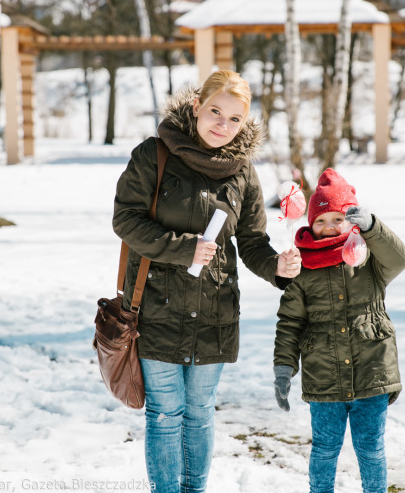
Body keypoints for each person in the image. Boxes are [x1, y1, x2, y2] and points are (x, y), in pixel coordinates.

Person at [112, 69, 301, 493]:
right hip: (156, 305)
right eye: (215, 111)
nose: (222, 125)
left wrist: (277, 268)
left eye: (234, 119)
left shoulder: (243, 173)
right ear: (196, 107)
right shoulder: (154, 154)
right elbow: (125, 220)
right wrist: (182, 248)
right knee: (165, 412)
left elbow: (252, 242)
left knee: (199, 410)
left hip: (214, 311)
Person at [273, 168, 405, 493]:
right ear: (310, 224)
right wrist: (283, 367)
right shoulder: (301, 267)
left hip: (372, 373)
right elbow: (290, 322)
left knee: (370, 449)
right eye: (320, 220)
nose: (328, 226)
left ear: (352, 220)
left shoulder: (367, 258)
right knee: (324, 449)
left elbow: (400, 258)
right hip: (325, 378)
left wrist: (374, 228)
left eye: (337, 218)